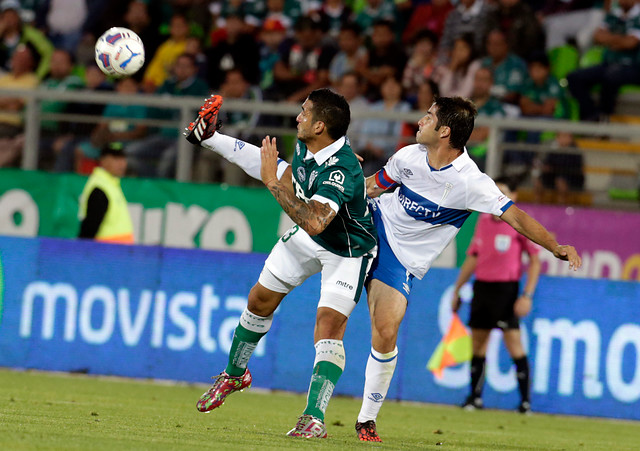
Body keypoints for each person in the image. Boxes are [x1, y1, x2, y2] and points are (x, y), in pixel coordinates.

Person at [354, 96, 581, 442]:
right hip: (372, 224)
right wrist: (348, 179)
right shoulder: (407, 156)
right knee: (329, 300)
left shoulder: (470, 182)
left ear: (444, 131)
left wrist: (555, 245)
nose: (419, 121)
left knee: (385, 331)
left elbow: (516, 216)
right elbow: (373, 187)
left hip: (400, 259)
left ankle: (366, 420)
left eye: (428, 117)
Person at [184, 88, 377, 439]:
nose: (298, 117)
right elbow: (278, 169)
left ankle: (314, 417)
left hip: (347, 250)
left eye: (304, 112)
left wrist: (271, 180)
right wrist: (211, 139)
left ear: (320, 125)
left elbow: (316, 219)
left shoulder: (343, 171)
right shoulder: (308, 143)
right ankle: (234, 375)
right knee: (258, 300)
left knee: (328, 325)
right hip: (309, 239)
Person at [450, 176, 541, 414]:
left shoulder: (518, 222)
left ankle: (525, 402)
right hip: (482, 288)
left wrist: (527, 295)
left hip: (506, 290)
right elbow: (473, 255)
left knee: (513, 343)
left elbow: (535, 260)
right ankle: (474, 398)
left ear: (514, 196)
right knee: (478, 343)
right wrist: (458, 288)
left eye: (502, 192)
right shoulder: (483, 219)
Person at [567, 0, 640, 122]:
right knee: (574, 77)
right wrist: (620, 40)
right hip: (610, 63)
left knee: (612, 74)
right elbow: (597, 36)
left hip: (634, 67)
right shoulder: (613, 14)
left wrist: (611, 38)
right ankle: (593, 116)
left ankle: (606, 115)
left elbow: (630, 43)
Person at [78, 142, 134, 244]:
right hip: (106, 254)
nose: (122, 163)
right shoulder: (100, 188)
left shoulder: (111, 184)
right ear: (103, 160)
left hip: (116, 254)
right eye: (116, 158)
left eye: (123, 158)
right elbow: (89, 229)